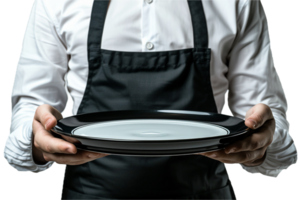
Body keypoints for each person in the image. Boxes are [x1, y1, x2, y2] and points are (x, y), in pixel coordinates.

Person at [4, 0, 298, 199]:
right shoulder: (54, 2)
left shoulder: (238, 2)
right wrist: (38, 143)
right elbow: (28, 117)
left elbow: (265, 122)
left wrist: (263, 144)